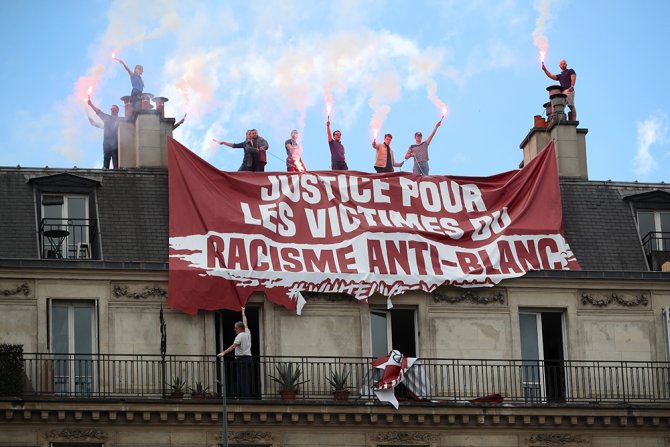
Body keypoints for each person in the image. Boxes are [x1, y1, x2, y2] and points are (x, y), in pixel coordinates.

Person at [217, 307, 253, 398]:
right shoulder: (247, 332)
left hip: (242, 360)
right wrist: (243, 312)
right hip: (249, 359)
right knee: (247, 378)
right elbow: (245, 322)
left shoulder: (240, 336)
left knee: (242, 379)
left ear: (240, 328)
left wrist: (223, 353)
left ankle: (245, 397)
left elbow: (233, 346)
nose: (234, 330)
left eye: (236, 328)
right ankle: (246, 396)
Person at [87, 98, 120, 169]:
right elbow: (99, 112)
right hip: (107, 144)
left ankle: (117, 174)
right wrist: (91, 105)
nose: (111, 110)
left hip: (116, 144)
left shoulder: (120, 121)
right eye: (111, 109)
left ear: (117, 110)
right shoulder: (107, 119)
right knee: (106, 160)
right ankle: (105, 174)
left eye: (113, 108)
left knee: (116, 161)